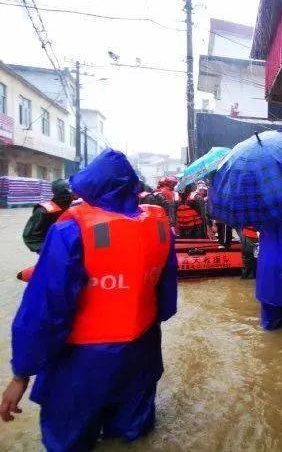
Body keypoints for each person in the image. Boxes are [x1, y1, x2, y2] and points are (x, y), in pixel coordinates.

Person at [0, 150, 178, 450]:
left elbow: (45, 308)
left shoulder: (71, 229)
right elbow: (167, 290)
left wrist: (21, 372)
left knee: (69, 439)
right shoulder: (159, 225)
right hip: (143, 351)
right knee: (131, 432)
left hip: (82, 362)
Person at [22, 179, 73, 253]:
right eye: (67, 191)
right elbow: (30, 237)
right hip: (53, 253)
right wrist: (47, 250)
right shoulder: (44, 211)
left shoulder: (74, 208)